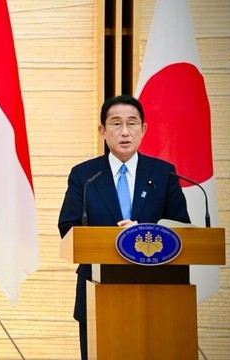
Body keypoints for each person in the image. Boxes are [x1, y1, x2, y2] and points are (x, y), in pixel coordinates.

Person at [57, 94, 190, 359]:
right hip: (98, 287)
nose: (125, 131)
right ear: (102, 130)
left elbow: (182, 227)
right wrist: (112, 239)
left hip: (158, 291)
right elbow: (68, 228)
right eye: (116, 124)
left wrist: (143, 232)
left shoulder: (164, 173)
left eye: (132, 123)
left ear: (144, 129)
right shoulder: (85, 175)